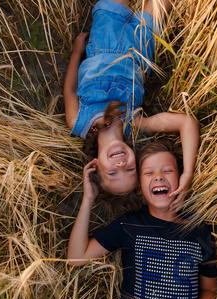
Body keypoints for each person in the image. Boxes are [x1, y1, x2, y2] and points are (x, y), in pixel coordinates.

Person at [67, 140, 217, 299]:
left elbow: (209, 290)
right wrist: (88, 198)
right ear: (139, 188)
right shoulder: (129, 225)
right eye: (149, 173)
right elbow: (76, 257)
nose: (158, 177)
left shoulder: (199, 230)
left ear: (180, 180)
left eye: (167, 171)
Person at [63, 0, 199, 211]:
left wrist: (75, 54)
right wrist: (187, 174)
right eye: (130, 169)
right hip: (140, 49)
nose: (121, 165)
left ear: (95, 166)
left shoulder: (79, 122)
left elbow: (70, 90)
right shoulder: (134, 122)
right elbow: (186, 123)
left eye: (113, 173)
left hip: (104, 37)